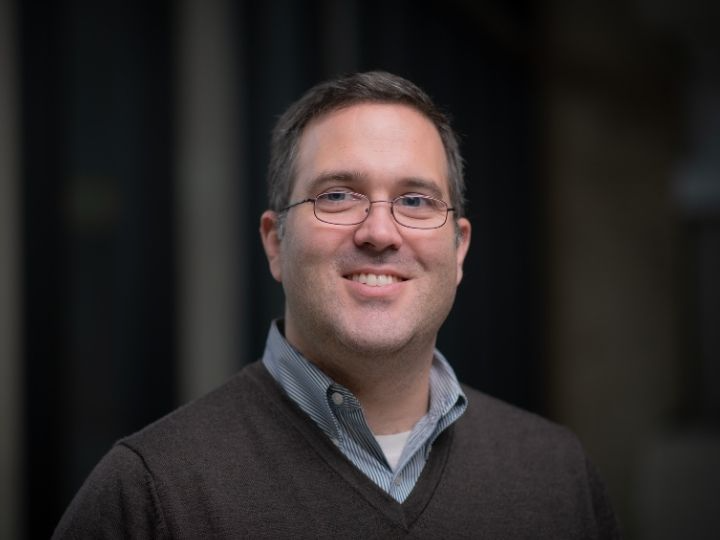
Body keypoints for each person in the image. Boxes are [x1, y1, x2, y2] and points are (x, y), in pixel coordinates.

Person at [54, 71, 620, 538]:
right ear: (275, 243)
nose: (380, 232)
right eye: (338, 195)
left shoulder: (557, 477)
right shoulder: (150, 494)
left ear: (459, 249)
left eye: (416, 200)